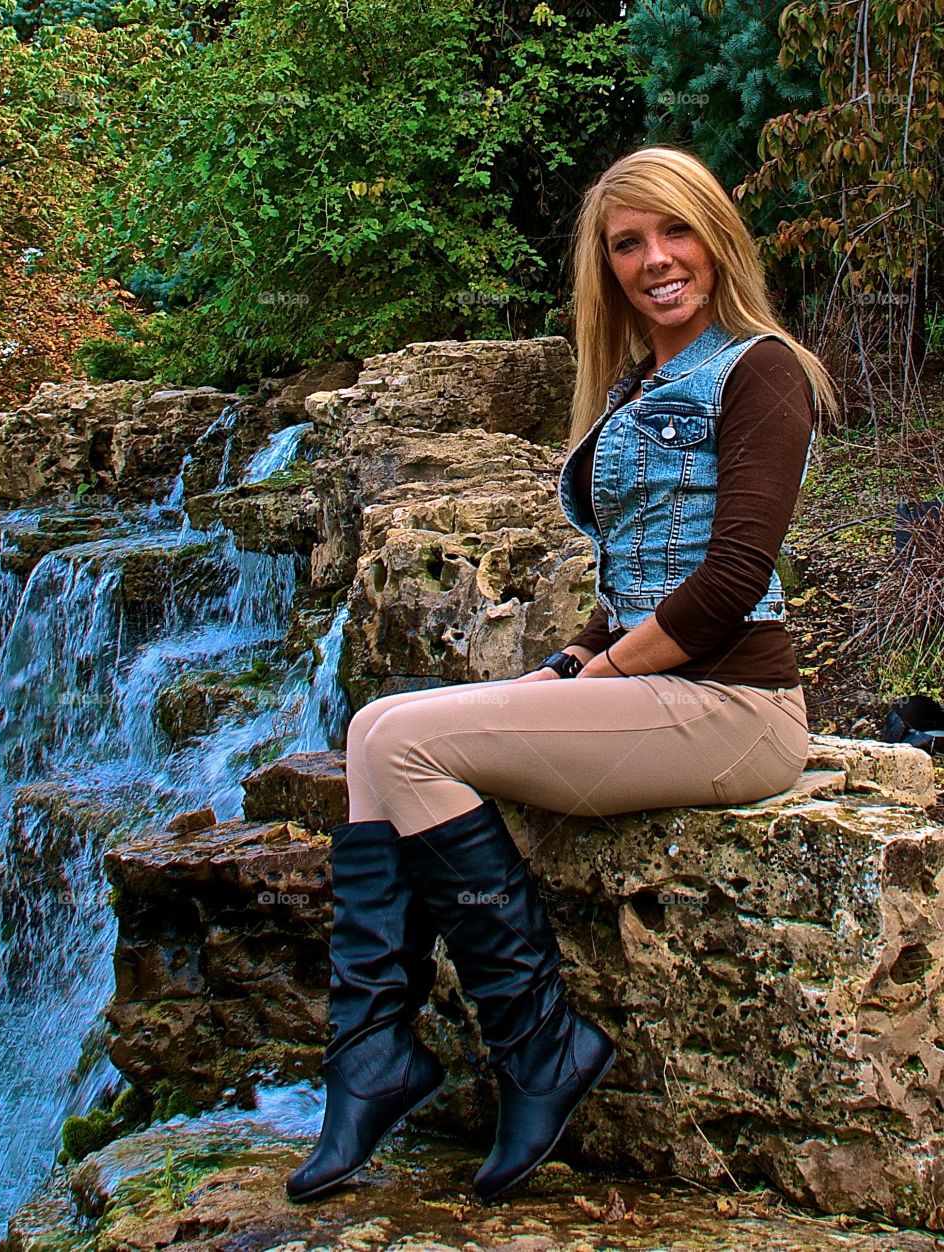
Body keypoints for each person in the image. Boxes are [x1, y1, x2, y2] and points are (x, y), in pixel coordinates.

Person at [285, 143, 839, 1206]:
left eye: (675, 231)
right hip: (653, 689)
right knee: (373, 727)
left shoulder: (761, 369)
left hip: (736, 708)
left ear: (717, 239)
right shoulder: (635, 385)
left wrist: (605, 674)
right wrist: (573, 661)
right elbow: (635, 572)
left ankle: (534, 1044)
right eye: (628, 243)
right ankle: (372, 1051)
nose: (655, 259)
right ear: (606, 266)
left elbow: (731, 579)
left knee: (407, 743)